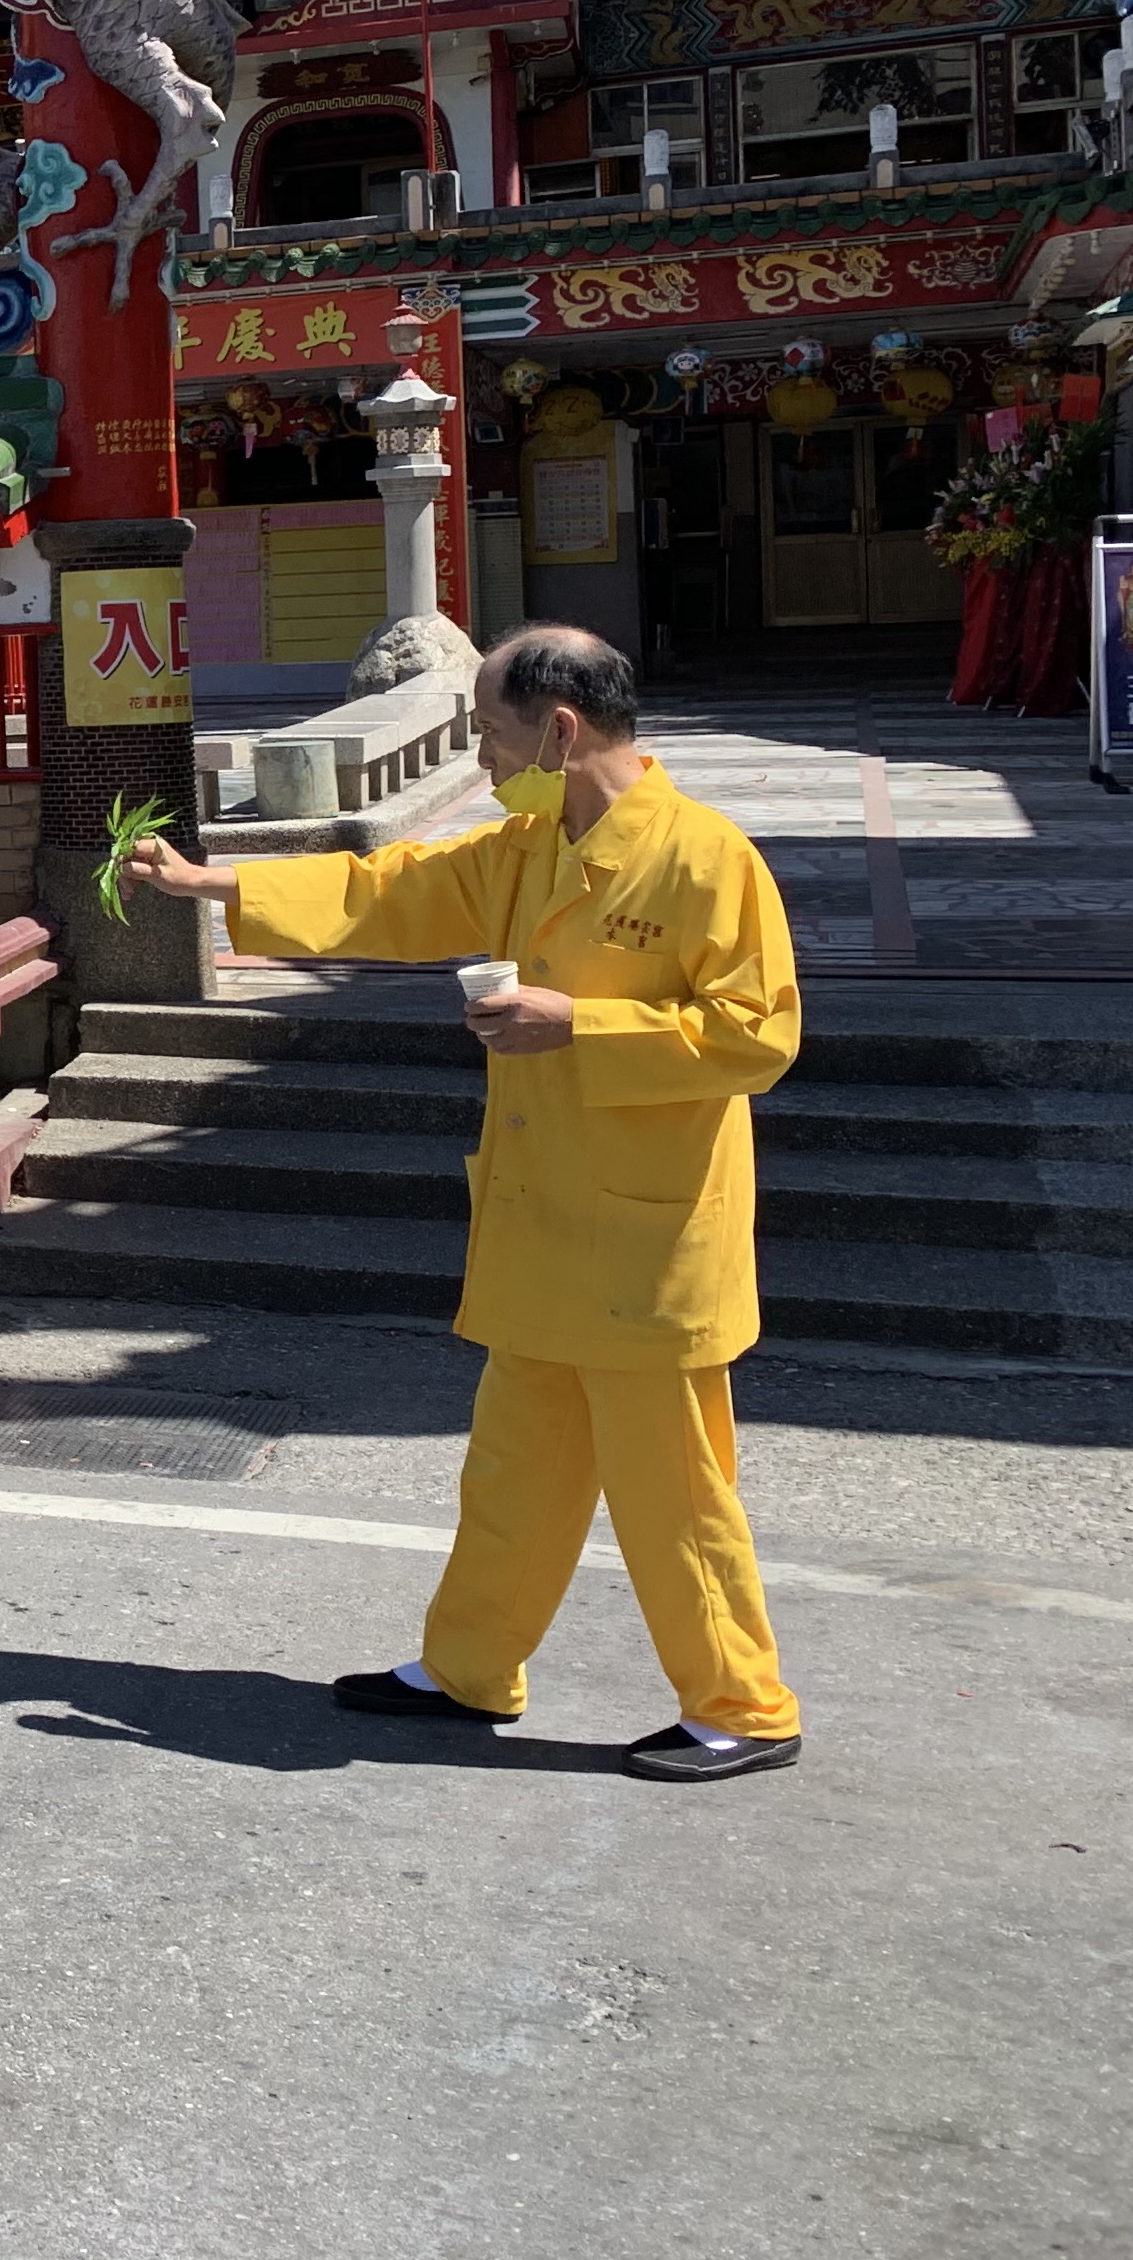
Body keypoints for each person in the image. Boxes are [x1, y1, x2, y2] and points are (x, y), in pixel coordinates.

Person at [129, 625, 806, 1784]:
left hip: (648, 1248)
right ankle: (470, 1668)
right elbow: (389, 889)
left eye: (489, 735)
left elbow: (759, 1037)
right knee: (512, 1473)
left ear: (562, 729)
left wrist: (576, 1023)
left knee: (677, 1495)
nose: (481, 759)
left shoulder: (705, 858)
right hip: (548, 1228)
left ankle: (744, 1708)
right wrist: (216, 881)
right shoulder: (534, 846)